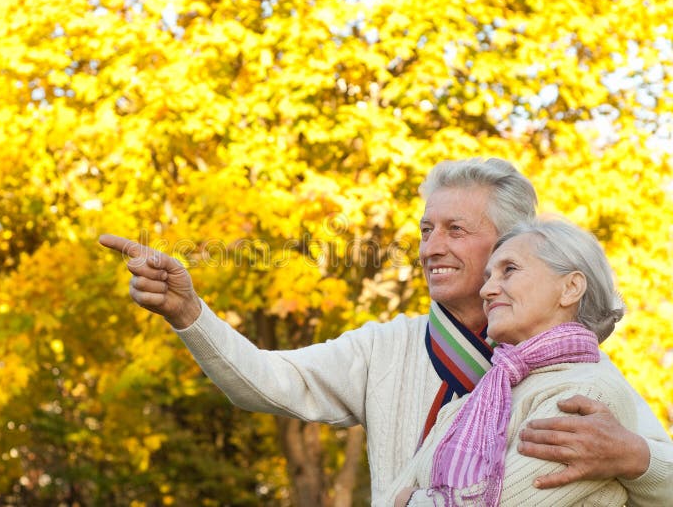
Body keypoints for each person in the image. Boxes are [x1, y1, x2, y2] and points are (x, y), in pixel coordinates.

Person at [99, 158, 673, 506]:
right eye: (426, 230)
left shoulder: (573, 374)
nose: (431, 247)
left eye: (454, 229)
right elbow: (267, 380)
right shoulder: (385, 346)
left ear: (507, 243)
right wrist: (190, 313)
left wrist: (638, 459)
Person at [388, 218, 637, 506]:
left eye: (509, 270)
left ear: (570, 288)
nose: (486, 291)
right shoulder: (472, 403)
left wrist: (409, 501)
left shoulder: (589, 394)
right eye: (488, 277)